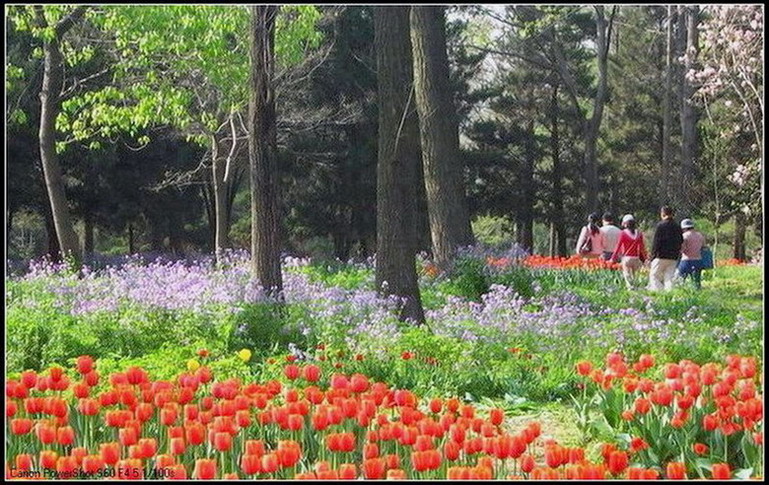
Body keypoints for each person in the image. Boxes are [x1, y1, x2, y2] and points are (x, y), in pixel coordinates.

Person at [648, 206, 683, 291]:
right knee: (669, 278)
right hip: (673, 257)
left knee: (654, 276)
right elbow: (681, 240)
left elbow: (656, 242)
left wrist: (652, 256)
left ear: (663, 213)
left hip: (661, 256)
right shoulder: (677, 226)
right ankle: (669, 294)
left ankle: (659, 292)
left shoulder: (660, 225)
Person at [611, 214, 647, 290]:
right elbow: (642, 248)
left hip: (626, 258)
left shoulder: (623, 233)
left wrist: (613, 258)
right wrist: (646, 258)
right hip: (636, 258)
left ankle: (630, 287)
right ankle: (636, 287)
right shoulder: (639, 234)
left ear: (626, 224)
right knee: (635, 275)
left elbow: (618, 246)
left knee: (627, 274)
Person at [678, 218, 705, 289]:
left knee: (681, 281)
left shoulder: (684, 236)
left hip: (686, 261)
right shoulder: (700, 235)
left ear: (683, 228)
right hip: (698, 261)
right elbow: (703, 247)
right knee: (697, 283)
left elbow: (682, 249)